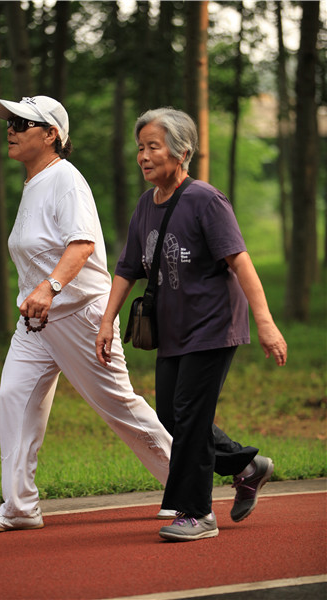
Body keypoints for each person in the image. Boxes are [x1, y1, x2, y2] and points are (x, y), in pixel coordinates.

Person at [0, 96, 276, 534]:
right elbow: (125, 264)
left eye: (23, 122)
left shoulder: (66, 182)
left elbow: (83, 245)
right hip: (38, 320)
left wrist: (52, 287)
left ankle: (212, 479)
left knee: (124, 409)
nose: (11, 129)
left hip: (77, 313)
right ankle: (20, 506)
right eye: (10, 122)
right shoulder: (35, 183)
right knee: (13, 398)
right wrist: (38, 292)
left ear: (51, 134)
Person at [96, 107, 287, 542]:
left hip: (214, 326)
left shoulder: (205, 199)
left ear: (181, 152)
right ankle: (246, 465)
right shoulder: (146, 205)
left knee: (191, 416)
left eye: (153, 147)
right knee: (171, 417)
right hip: (175, 331)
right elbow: (127, 268)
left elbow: (239, 260)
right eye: (139, 147)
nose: (143, 156)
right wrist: (107, 321)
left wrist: (266, 323)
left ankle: (197, 513)